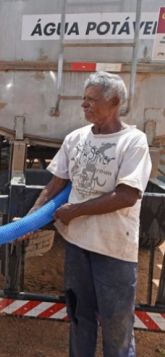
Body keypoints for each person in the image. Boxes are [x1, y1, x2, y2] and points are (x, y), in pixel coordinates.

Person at [24, 71, 151, 356]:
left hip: (114, 249)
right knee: (81, 319)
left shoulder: (133, 142)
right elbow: (57, 184)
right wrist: (29, 219)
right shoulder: (75, 139)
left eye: (92, 99)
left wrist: (76, 211)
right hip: (78, 244)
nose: (84, 104)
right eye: (84, 99)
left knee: (118, 328)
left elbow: (128, 195)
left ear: (115, 101)